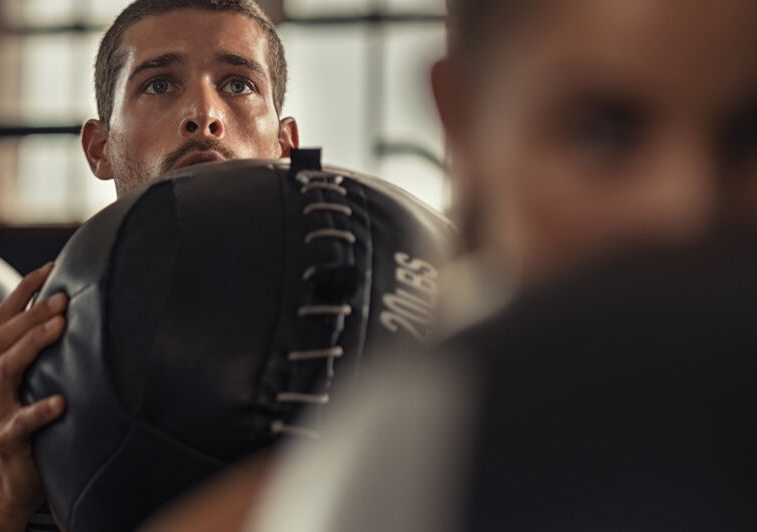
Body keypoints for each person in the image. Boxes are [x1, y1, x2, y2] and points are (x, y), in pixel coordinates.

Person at [241, 0, 757, 529]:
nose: (686, 210)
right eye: (601, 132)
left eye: (750, 132)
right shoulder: (406, 459)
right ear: (463, 117)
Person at [0, 1, 299, 531]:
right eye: (159, 84)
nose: (204, 114)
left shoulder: (365, 354)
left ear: (285, 145)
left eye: (238, 84)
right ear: (100, 148)